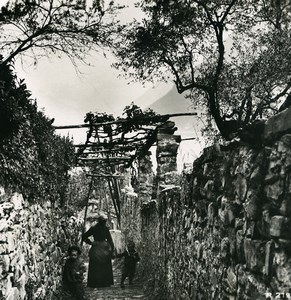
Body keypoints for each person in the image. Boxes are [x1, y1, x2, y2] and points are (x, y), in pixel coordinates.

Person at [82, 212, 115, 288]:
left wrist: (90, 243)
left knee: (96, 265)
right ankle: (105, 282)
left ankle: (95, 283)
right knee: (103, 265)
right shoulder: (104, 228)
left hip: (97, 247)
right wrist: (112, 249)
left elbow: (84, 237)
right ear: (102, 221)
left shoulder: (94, 228)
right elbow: (110, 240)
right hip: (103, 247)